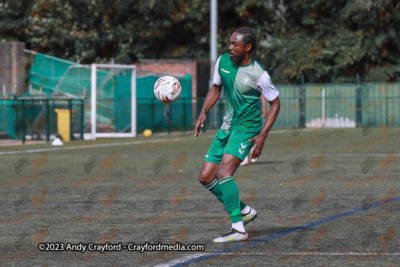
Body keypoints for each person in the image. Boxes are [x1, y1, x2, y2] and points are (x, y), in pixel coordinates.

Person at [194, 27, 280, 242]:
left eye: (235, 44)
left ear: (248, 47)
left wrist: (263, 135)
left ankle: (238, 229)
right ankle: (244, 211)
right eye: (230, 43)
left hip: (247, 128)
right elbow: (215, 89)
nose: (230, 47)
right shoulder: (222, 62)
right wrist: (204, 112)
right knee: (205, 177)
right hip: (227, 126)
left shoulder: (259, 74)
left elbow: (275, 103)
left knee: (224, 172)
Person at [240, 95, 267, 166]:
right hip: (242, 113)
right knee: (243, 134)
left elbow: (260, 94)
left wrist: (264, 107)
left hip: (254, 114)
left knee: (252, 133)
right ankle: (244, 157)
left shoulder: (254, 85)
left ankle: (253, 149)